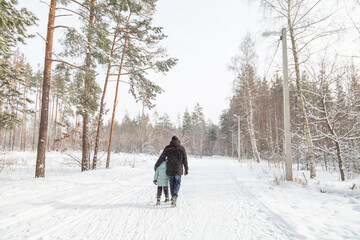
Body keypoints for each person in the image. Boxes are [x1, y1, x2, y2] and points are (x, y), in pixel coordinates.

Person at [154, 136, 188, 207]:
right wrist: (186, 169)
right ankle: (174, 195)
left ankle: (173, 198)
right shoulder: (181, 148)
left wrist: (156, 165)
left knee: (172, 183)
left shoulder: (168, 148)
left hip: (170, 169)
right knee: (178, 183)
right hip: (178, 170)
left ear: (171, 140)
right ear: (178, 141)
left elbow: (162, 157)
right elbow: (185, 159)